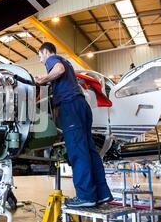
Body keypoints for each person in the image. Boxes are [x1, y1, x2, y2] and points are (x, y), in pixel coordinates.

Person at [35, 42, 112, 208]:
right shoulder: (67, 64)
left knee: (77, 150)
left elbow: (58, 70)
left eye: (40, 56)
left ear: (46, 52)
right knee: (90, 151)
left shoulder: (53, 59)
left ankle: (85, 196)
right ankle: (102, 194)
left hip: (70, 107)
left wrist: (44, 79)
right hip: (82, 106)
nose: (41, 61)